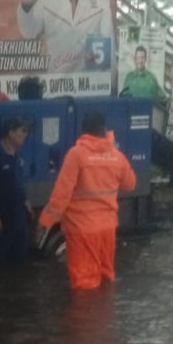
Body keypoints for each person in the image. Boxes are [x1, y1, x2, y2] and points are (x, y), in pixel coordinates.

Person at [37, 111, 136, 290]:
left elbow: (61, 195)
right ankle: (106, 315)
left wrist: (45, 222)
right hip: (107, 229)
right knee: (106, 277)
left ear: (83, 131)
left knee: (84, 284)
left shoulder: (76, 155)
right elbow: (130, 184)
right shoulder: (117, 156)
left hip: (82, 229)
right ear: (104, 130)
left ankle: (86, 318)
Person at [16, 0, 114, 73]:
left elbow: (107, 40)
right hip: (56, 81)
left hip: (89, 82)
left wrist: (109, 82)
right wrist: (27, 4)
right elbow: (29, 32)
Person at [0, 117, 34, 263]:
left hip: (18, 217)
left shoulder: (18, 157)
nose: (25, 135)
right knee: (0, 261)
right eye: (22, 131)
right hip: (1, 218)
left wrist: (25, 201)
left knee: (20, 259)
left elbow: (18, 183)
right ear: (10, 133)